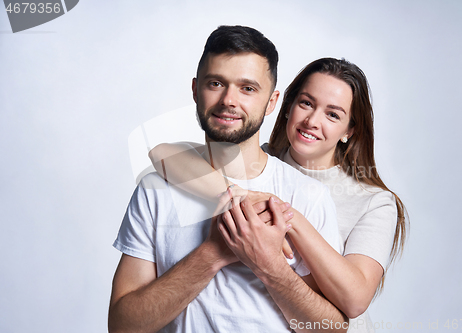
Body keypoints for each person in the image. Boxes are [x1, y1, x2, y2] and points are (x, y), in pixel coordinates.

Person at [109, 25, 349, 333]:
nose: (228, 100)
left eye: (247, 88)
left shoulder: (306, 195)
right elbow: (122, 326)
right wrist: (212, 253)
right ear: (195, 89)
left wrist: (269, 265)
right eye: (216, 83)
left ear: (272, 102)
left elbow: (332, 329)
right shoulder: (155, 189)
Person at [149, 57, 408, 332]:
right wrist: (241, 195)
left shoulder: (373, 202)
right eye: (306, 103)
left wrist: (289, 216)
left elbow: (355, 300)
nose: (312, 121)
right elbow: (163, 154)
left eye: (333, 115)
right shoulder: (258, 163)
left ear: (349, 131)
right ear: (287, 106)